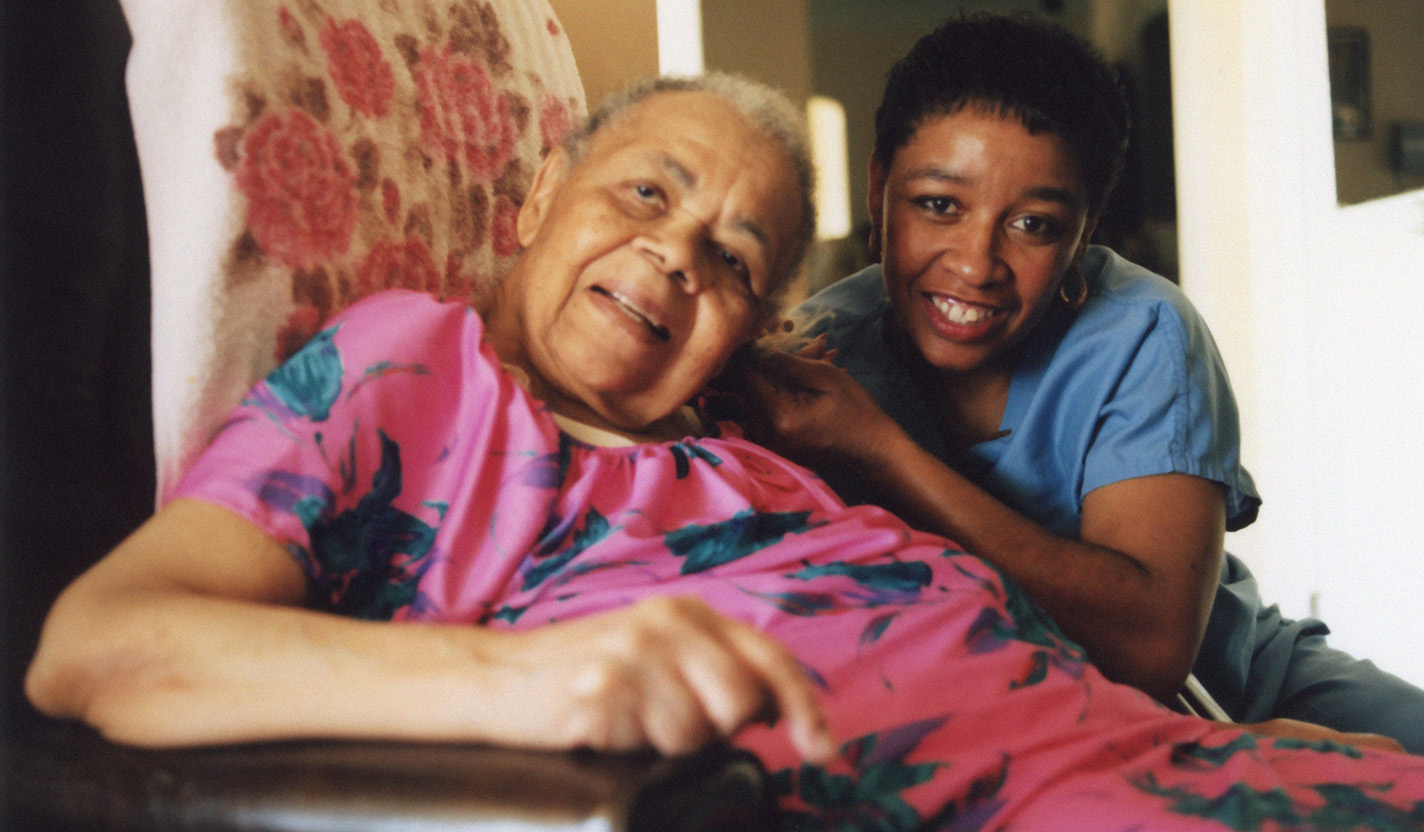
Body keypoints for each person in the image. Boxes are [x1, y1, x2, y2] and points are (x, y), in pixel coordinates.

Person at [25, 73, 1424, 830]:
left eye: (734, 257)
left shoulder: (761, 444)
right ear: (531, 209)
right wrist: (517, 679)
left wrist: (1198, 740)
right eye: (646, 192)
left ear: (752, 327)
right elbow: (100, 644)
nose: (673, 256)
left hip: (1181, 759)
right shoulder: (422, 367)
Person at [744, 12, 1424, 753]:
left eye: (1033, 224)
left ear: (1085, 230)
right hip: (1053, 738)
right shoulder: (820, 358)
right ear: (879, 188)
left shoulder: (1144, 333)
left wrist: (885, 452)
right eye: (938, 205)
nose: (975, 264)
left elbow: (1153, 649)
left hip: (1241, 679)